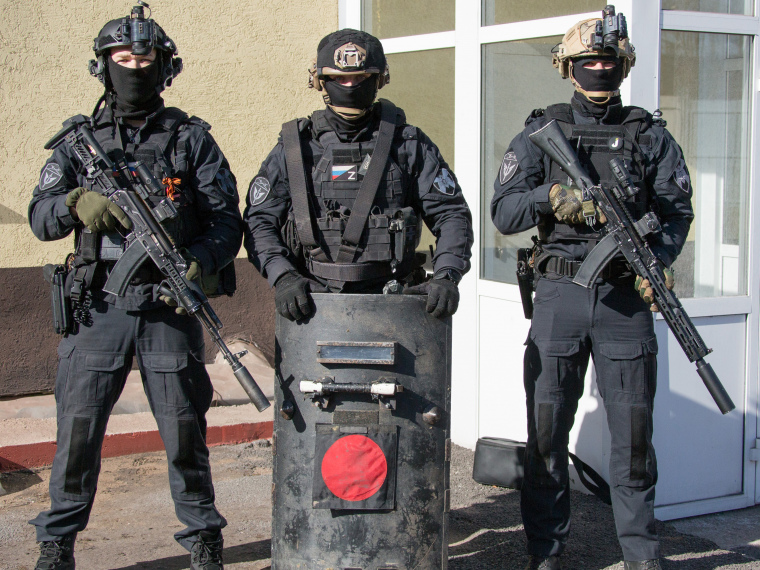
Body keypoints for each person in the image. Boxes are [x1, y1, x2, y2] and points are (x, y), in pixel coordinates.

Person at [28, 5, 242, 569]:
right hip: (98, 305)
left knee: (184, 429)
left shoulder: (190, 140)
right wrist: (74, 202)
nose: (134, 69)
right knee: (78, 431)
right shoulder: (79, 144)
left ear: (165, 67)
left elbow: (227, 222)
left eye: (145, 60)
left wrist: (197, 261)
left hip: (167, 305)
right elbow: (40, 218)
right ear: (102, 67)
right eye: (122, 59)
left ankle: (203, 536)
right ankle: (58, 542)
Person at [491, 7, 694, 570]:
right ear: (567, 66)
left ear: (624, 65)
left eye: (609, 60)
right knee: (546, 432)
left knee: (633, 438)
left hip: (626, 299)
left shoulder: (649, 137)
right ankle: (546, 552)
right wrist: (549, 199)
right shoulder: (540, 133)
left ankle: (642, 556)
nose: (600, 68)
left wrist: (659, 261)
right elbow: (504, 212)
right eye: (589, 60)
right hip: (560, 296)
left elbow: (676, 212)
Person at [243, 29, 473, 319]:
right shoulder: (295, 148)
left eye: (361, 77)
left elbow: (451, 213)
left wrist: (447, 274)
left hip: (394, 302)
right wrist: (283, 276)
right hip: (313, 304)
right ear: (320, 81)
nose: (350, 86)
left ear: (379, 79)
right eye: (340, 78)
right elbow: (259, 220)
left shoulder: (408, 145)